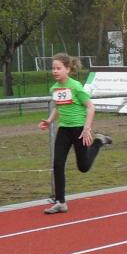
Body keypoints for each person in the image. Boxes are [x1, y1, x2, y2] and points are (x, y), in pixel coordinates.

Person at [37, 53, 112, 214]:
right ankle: (60, 202)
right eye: (53, 68)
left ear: (68, 69)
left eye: (58, 68)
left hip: (79, 129)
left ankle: (99, 141)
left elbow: (90, 107)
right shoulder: (54, 88)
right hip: (63, 130)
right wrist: (49, 121)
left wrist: (87, 128)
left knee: (83, 167)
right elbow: (58, 107)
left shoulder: (76, 86)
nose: (55, 71)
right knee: (57, 164)